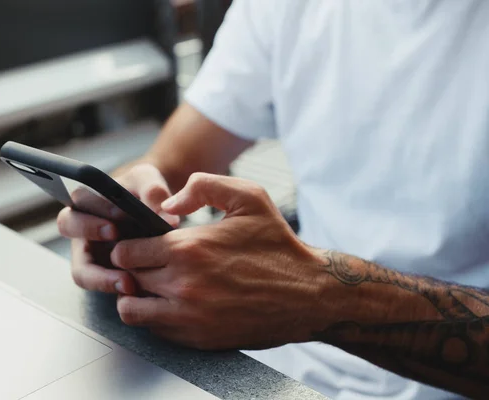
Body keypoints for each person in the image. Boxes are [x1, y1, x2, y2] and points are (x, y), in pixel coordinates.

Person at [57, 1, 489, 398]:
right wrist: (117, 205)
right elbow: (168, 163)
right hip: (278, 369)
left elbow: (310, 294)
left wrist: (319, 296)